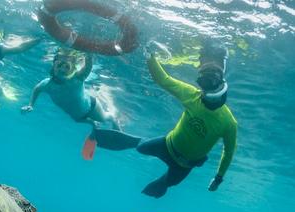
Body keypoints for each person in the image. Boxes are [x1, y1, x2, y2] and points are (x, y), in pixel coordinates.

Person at [93, 40, 238, 198]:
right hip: (167, 145)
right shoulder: (193, 95)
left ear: (220, 83)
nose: (204, 88)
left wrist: (218, 178)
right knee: (141, 148)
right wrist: (149, 56)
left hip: (185, 164)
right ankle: (136, 141)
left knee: (170, 183)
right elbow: (164, 79)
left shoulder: (228, 123)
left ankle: (161, 180)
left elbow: (228, 152)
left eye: (210, 82)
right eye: (203, 81)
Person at [21, 48, 121, 159]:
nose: (62, 69)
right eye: (59, 65)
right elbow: (36, 89)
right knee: (81, 121)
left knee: (103, 118)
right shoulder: (47, 84)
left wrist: (89, 55)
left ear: (72, 69)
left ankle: (113, 118)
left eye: (67, 67)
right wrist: (31, 104)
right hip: (76, 116)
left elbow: (87, 68)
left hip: (91, 108)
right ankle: (94, 126)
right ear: (53, 66)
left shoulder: (77, 79)